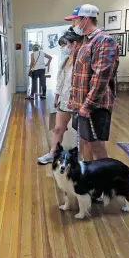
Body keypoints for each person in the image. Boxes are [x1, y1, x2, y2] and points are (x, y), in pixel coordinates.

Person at [64, 4, 119, 161]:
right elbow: (78, 76)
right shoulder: (85, 42)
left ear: (85, 19)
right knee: (85, 141)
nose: (73, 24)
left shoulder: (104, 41)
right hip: (81, 104)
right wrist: (73, 101)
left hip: (95, 105)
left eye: (75, 20)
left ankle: (105, 181)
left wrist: (87, 105)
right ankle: (89, 178)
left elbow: (100, 78)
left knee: (96, 145)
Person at [37, 28, 82, 164]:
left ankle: (82, 159)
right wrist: (56, 96)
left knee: (82, 133)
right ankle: (53, 153)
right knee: (58, 128)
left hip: (78, 101)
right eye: (61, 45)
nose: (63, 48)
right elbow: (60, 81)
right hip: (63, 99)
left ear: (74, 44)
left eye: (64, 44)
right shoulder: (65, 61)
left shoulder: (82, 61)